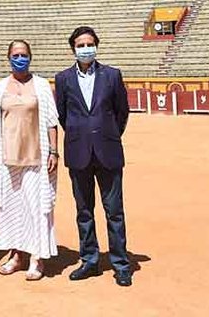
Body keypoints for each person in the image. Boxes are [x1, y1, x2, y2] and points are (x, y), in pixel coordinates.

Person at [54, 26, 133, 287]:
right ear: (73, 49)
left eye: (89, 43)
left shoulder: (112, 75)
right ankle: (89, 260)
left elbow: (122, 111)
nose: (85, 48)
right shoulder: (63, 79)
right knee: (84, 211)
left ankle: (121, 264)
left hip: (108, 150)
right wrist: (81, 135)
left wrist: (108, 134)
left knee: (114, 212)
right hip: (78, 153)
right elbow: (63, 115)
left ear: (96, 45)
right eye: (80, 45)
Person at [0, 40, 60, 281]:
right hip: (7, 158)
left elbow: (51, 122)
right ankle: (16, 255)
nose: (20, 58)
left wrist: (54, 152)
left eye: (24, 54)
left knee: (36, 207)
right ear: (8, 58)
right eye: (16, 55)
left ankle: (37, 258)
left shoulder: (40, 85)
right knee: (11, 207)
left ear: (31, 57)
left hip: (36, 157)